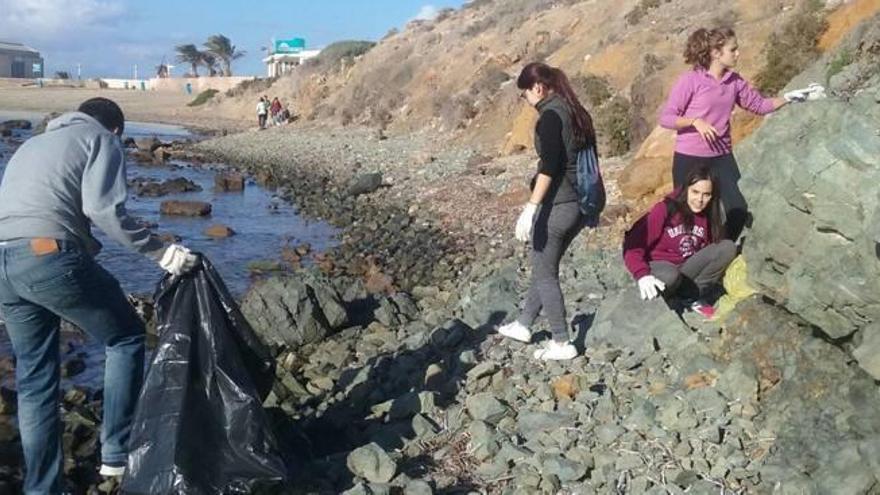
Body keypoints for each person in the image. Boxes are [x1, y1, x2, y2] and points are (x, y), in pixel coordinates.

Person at [0, 97, 198, 493]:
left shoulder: (34, 143)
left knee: (36, 377)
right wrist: (162, 251)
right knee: (125, 337)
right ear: (118, 131)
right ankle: (116, 457)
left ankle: (42, 488)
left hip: (4, 263)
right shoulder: (101, 139)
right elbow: (103, 209)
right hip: (47, 254)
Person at [659, 27, 820, 241]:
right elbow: (667, 118)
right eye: (733, 49)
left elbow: (759, 105)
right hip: (689, 157)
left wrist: (790, 97)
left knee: (738, 208)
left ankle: (721, 250)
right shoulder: (690, 81)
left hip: (721, 156)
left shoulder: (734, 81)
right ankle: (686, 259)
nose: (737, 54)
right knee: (687, 214)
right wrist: (695, 121)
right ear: (716, 53)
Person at [496, 62, 597, 361]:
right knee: (545, 266)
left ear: (537, 88)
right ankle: (525, 324)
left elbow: (550, 166)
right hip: (580, 203)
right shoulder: (576, 111)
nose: (526, 101)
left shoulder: (551, 117)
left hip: (559, 204)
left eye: (524, 94)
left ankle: (562, 341)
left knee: (545, 274)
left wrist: (530, 208)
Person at [623, 164, 737, 319]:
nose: (700, 200)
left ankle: (691, 296)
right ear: (686, 189)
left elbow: (708, 248)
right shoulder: (665, 208)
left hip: (685, 268)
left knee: (727, 248)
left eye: (706, 194)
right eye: (695, 192)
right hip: (659, 268)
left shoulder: (709, 214)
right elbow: (632, 246)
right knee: (671, 275)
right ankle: (667, 296)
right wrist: (642, 274)